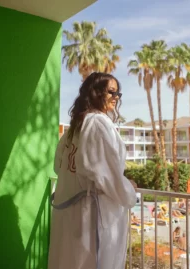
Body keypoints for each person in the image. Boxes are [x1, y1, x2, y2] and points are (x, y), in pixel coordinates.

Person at [48, 72, 137, 269]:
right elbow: (107, 175)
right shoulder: (98, 123)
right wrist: (129, 191)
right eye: (111, 92)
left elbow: (58, 167)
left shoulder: (74, 128)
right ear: (95, 93)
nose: (116, 97)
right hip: (91, 219)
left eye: (118, 93)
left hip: (71, 214)